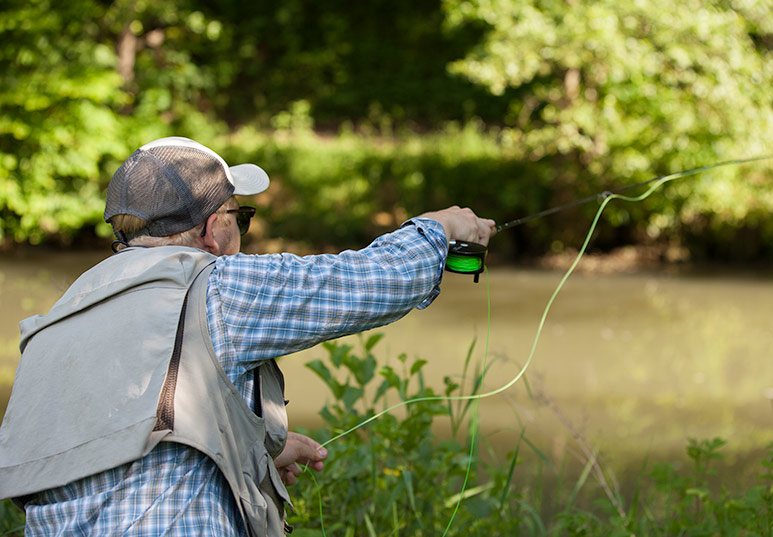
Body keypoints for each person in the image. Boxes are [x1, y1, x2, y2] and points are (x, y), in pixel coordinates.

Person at [0, 136, 495, 536]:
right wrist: (438, 227)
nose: (243, 233)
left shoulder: (61, 315)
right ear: (214, 230)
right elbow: (368, 281)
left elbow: (118, 447)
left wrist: (251, 448)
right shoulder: (215, 284)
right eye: (242, 218)